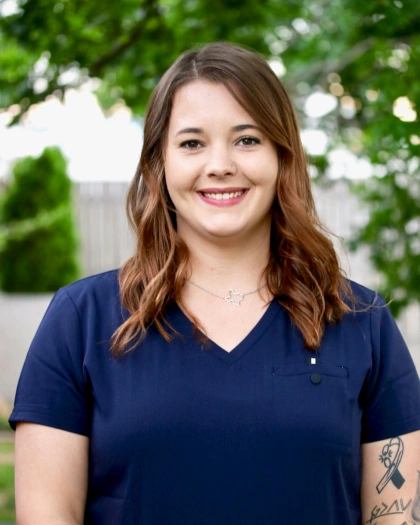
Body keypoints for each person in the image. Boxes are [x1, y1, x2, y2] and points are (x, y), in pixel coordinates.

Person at [9, 42, 420, 525]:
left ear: (282, 157)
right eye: (191, 143)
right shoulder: (81, 319)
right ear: (158, 165)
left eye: (247, 139)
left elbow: (395, 516)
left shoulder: (360, 323)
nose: (220, 163)